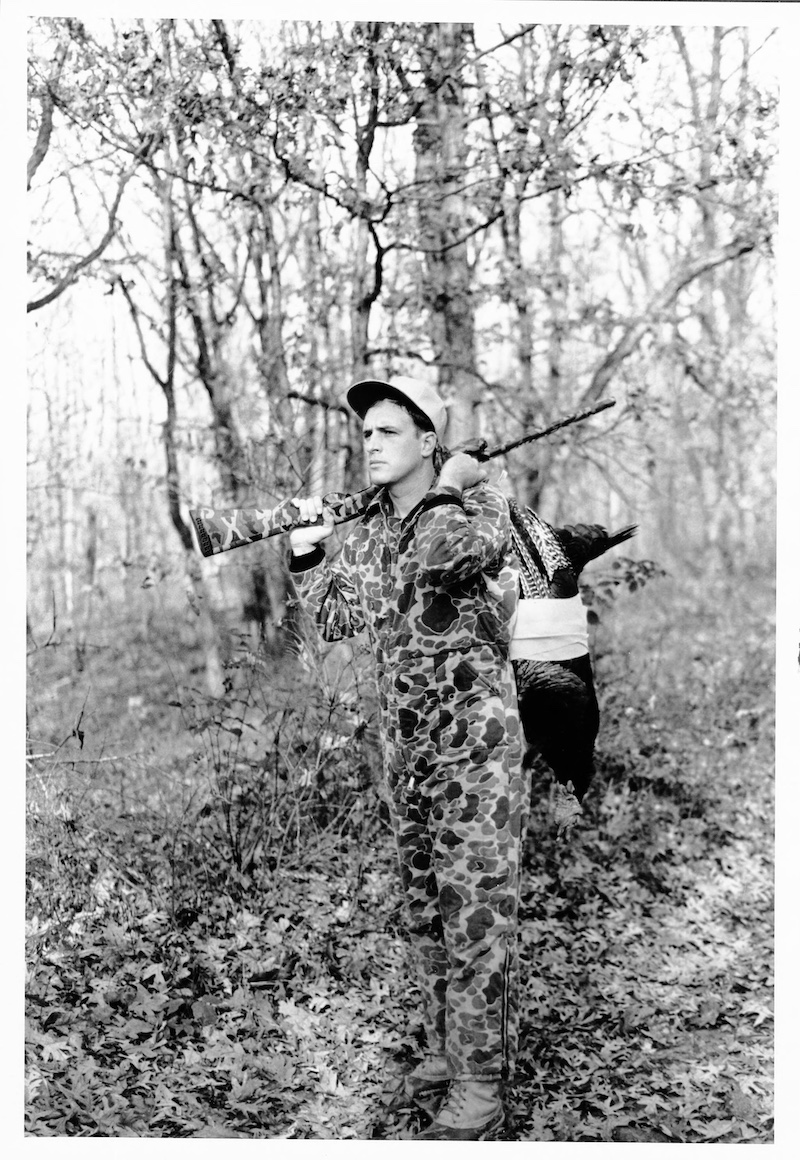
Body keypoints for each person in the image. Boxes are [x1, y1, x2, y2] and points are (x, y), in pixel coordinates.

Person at [288, 376, 525, 1141]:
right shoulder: (380, 531)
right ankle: (449, 1054)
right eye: (365, 435)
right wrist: (310, 557)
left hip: (475, 756)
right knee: (426, 914)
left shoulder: (479, 502)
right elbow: (335, 619)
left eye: (388, 432)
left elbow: (449, 558)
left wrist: (454, 484)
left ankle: (482, 1085)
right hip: (408, 757)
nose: (371, 445)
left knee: (476, 917)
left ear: (430, 442)